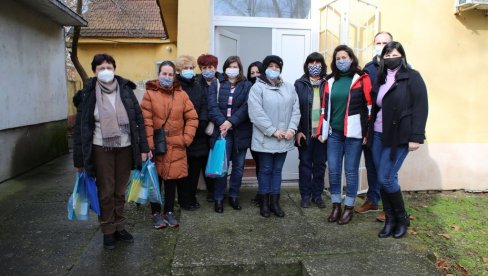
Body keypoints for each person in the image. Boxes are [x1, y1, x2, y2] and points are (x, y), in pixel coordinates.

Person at [73, 53, 150, 250]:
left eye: (109, 67)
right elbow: (81, 128)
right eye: (101, 68)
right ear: (94, 72)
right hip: (101, 148)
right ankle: (108, 230)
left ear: (114, 69)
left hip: (125, 147)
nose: (105, 71)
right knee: (106, 191)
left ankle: (120, 227)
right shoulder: (88, 93)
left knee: (119, 191)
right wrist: (79, 159)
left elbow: (138, 121)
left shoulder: (125, 90)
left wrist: (144, 148)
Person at [369, 41, 428, 238]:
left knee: (386, 177)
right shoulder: (381, 77)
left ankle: (402, 218)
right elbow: (376, 107)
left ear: (402, 56)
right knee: (383, 178)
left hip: (399, 136)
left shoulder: (412, 77)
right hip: (378, 134)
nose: (390, 57)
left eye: (394, 53)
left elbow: (421, 107)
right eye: (387, 54)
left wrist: (416, 137)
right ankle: (390, 219)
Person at [317, 45, 372, 225]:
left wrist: (367, 132)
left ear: (351, 58)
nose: (341, 61)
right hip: (334, 134)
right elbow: (324, 109)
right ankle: (336, 206)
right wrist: (321, 130)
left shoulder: (362, 78)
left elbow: (369, 108)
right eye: (338, 58)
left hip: (354, 134)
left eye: (344, 57)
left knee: (350, 171)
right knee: (333, 170)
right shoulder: (330, 81)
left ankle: (349, 208)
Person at [141, 60, 198, 229]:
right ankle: (156, 213)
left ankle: (169, 212)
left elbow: (192, 118)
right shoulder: (149, 94)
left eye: (170, 74)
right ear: (159, 74)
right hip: (157, 146)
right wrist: (149, 146)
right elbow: (146, 122)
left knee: (172, 181)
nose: (167, 77)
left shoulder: (182, 94)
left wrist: (186, 139)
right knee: (155, 181)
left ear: (175, 76)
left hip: (176, 144)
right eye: (164, 74)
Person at [248, 55, 300, 218]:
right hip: (266, 138)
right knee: (265, 169)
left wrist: (291, 129)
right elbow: (256, 113)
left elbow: (295, 110)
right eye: (271, 66)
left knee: (277, 170)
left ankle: (274, 203)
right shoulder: (257, 88)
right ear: (265, 68)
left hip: (284, 137)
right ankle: (264, 203)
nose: (274, 69)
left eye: (277, 67)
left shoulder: (289, 88)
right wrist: (272, 130)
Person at [355, 32, 393, 221]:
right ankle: (372, 200)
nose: (381, 45)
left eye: (385, 43)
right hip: (371, 127)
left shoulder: (402, 68)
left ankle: (389, 207)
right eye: (378, 42)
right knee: (371, 165)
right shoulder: (368, 68)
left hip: (390, 128)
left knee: (386, 169)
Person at [207, 55, 252, 213]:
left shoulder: (247, 85)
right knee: (221, 167)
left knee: (238, 167)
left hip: (240, 132)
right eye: (230, 66)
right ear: (225, 68)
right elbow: (212, 107)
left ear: (239, 69)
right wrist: (223, 123)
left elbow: (247, 107)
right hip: (222, 133)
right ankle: (219, 198)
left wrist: (231, 122)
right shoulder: (216, 83)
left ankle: (234, 195)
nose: (232, 69)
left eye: (235, 67)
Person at [175, 55, 210, 211]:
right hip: (181, 134)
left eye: (191, 68)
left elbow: (204, 105)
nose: (189, 71)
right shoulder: (176, 86)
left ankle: (192, 197)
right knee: (183, 170)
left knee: (195, 170)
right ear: (178, 70)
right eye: (185, 68)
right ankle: (183, 199)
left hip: (198, 135)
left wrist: (200, 123)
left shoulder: (198, 85)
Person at [294, 52, 328, 209]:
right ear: (307, 65)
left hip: (322, 133)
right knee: (305, 165)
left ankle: (317, 195)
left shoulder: (328, 83)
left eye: (318, 62)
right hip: (305, 133)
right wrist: (298, 130)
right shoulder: (300, 84)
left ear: (322, 65)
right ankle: (305, 196)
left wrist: (327, 131)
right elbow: (295, 109)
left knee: (320, 166)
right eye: (311, 62)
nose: (314, 65)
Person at [195, 54, 223, 202]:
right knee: (202, 159)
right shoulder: (196, 82)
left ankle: (215, 191)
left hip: (218, 125)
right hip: (201, 127)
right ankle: (206, 188)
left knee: (216, 158)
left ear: (215, 67)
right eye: (204, 68)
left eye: (210, 67)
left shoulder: (222, 81)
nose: (207, 70)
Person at [246, 61, 264, 206]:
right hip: (252, 134)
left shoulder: (267, 88)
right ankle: (261, 192)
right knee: (259, 164)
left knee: (266, 165)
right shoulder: (247, 88)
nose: (255, 75)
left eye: (258, 72)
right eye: (252, 73)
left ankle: (267, 192)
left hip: (266, 133)